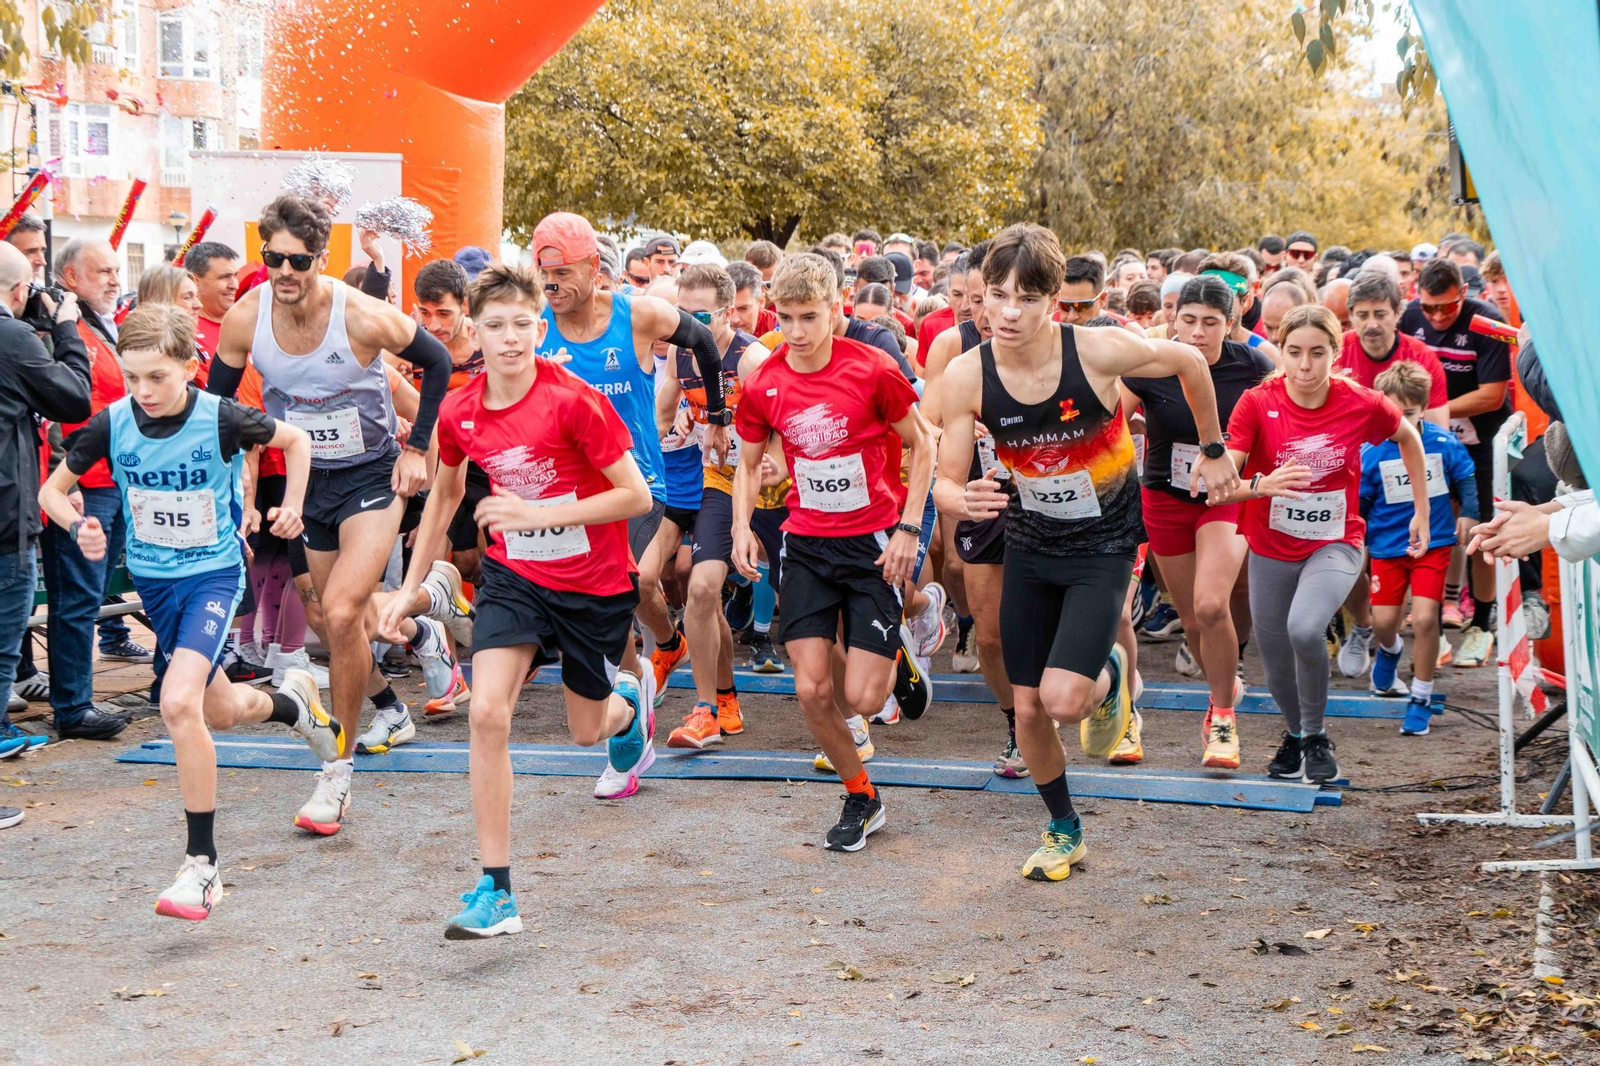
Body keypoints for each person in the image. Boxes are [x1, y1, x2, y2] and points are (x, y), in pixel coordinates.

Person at [935, 224, 1239, 881]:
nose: (1007, 313)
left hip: (1103, 543)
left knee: (1063, 701)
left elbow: (1190, 363)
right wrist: (959, 498)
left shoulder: (1098, 350)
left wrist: (1214, 449)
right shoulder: (967, 374)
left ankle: (1109, 676)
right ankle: (1063, 827)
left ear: (1054, 302)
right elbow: (946, 480)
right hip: (1030, 540)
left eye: (1026, 299)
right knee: (1027, 707)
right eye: (996, 296)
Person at [377, 264, 652, 936]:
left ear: (540, 328)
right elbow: (445, 495)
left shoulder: (574, 401)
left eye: (522, 325)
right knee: (487, 713)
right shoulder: (461, 409)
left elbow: (636, 496)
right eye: (495, 326)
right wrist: (410, 588)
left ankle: (628, 709)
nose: (509, 338)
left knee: (586, 728)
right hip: (515, 577)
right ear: (474, 331)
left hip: (592, 583)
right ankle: (496, 889)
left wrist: (536, 514)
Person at [40, 303, 340, 918]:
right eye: (132, 377)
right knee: (220, 710)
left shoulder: (220, 417)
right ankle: (297, 707)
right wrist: (78, 526)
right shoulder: (112, 422)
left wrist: (294, 506)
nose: (144, 391)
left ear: (186, 366)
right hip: (156, 586)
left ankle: (202, 867)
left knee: (177, 703)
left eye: (157, 376)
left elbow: (297, 440)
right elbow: (52, 491)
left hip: (213, 577)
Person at [206, 193, 459, 836]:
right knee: (328, 617)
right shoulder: (245, 318)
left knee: (343, 610)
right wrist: (225, 488)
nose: (284, 272)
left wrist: (418, 447)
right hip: (306, 483)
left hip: (371, 475)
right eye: (274, 258)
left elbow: (437, 362)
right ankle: (428, 607)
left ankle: (336, 773)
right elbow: (215, 409)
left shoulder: (362, 315)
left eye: (298, 260)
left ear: (321, 257)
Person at [731, 252, 933, 853]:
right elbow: (747, 464)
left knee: (867, 697)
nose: (796, 332)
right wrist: (742, 526)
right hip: (806, 544)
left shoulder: (872, 368)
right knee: (812, 690)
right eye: (785, 318)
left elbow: (923, 444)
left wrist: (909, 527)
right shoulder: (764, 380)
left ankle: (897, 648)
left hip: (872, 543)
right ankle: (861, 795)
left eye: (809, 317)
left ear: (835, 308)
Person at [531, 212, 729, 735]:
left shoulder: (638, 315)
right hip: (573, 489)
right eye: (544, 273)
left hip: (638, 481)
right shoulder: (534, 326)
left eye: (563, 273)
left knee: (630, 581)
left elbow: (704, 343)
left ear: (593, 268)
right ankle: (647, 666)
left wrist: (717, 414)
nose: (552, 285)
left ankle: (642, 673)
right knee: (609, 592)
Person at [1216, 305, 1429, 784]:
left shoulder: (1360, 401)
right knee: (1275, 663)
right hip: (1270, 544)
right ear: (1281, 352)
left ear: (1336, 352)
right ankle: (1295, 735)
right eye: (1294, 352)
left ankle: (1315, 736)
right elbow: (1224, 483)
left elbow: (1409, 438)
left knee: (1305, 627)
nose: (1305, 365)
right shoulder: (1257, 402)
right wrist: (1261, 485)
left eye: (1317, 353)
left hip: (1336, 541)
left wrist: (1422, 510)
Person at [1121, 275, 1274, 769]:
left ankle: (1224, 717)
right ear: (1173, 319)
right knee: (1191, 620)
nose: (1198, 332)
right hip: (1165, 497)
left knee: (1211, 606)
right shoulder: (1150, 361)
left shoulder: (1253, 365)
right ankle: (1219, 694)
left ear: (1230, 323)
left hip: (1227, 496)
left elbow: (1288, 410)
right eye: (1188, 320)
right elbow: (1107, 416)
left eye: (1210, 322)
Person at [655, 264, 780, 747]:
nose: (688, 325)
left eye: (700, 315)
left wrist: (775, 460)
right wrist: (679, 428)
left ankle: (872, 684)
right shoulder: (679, 354)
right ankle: (710, 707)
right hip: (722, 481)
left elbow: (788, 420)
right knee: (703, 589)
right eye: (681, 313)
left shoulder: (751, 359)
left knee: (808, 608)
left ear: (729, 313)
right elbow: (661, 417)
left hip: (777, 486)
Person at [40, 239, 144, 741]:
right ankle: (73, 707)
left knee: (90, 593)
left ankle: (77, 700)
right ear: (71, 276)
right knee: (77, 597)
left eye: (116, 270)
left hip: (116, 479)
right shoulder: (59, 329)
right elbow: (53, 410)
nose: (114, 279)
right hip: (84, 482)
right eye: (103, 271)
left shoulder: (101, 324)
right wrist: (68, 480)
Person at [0, 241, 90, 770]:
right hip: (5, 515)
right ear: (19, 290)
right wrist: (66, 328)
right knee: (3, 637)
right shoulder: (10, 337)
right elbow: (74, 398)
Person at [1398, 257, 1512, 668]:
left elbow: (1493, 395)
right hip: (1426, 438)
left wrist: (1435, 411)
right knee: (1430, 521)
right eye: (1429, 307)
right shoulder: (1409, 317)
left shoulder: (1487, 320)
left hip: (1479, 440)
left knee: (1480, 529)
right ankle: (1431, 618)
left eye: (1447, 306)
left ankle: (1481, 623)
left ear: (1464, 293)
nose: (1437, 316)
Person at [1360, 361, 1477, 735]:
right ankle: (1390, 651)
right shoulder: (1371, 450)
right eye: (1393, 413)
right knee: (1383, 623)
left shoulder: (1443, 443)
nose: (1401, 422)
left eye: (1408, 413)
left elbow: (1466, 477)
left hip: (1433, 544)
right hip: (1386, 547)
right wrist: (1355, 536)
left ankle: (1421, 697)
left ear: (1424, 409)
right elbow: (1362, 500)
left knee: (1426, 619)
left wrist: (1469, 513)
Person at [186, 242, 242, 359]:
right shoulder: (181, 334)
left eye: (235, 276)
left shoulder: (249, 325)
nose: (235, 285)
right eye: (225, 277)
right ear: (196, 281)